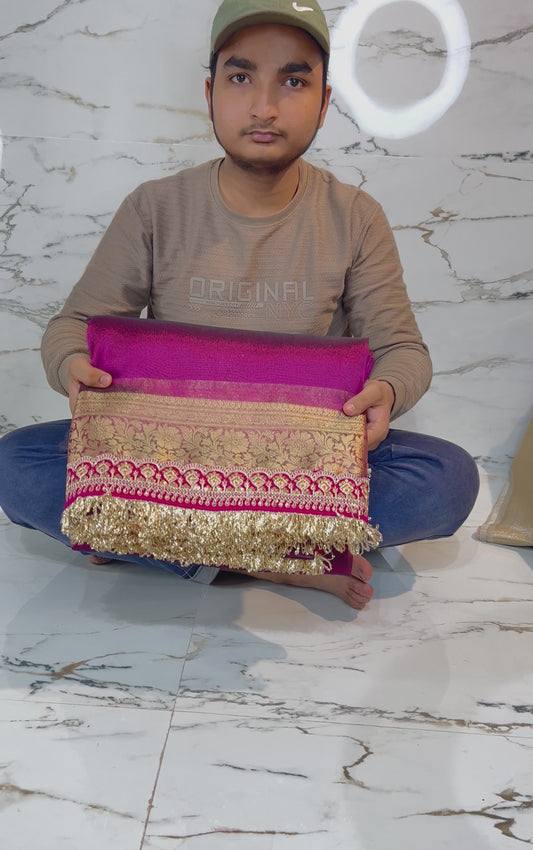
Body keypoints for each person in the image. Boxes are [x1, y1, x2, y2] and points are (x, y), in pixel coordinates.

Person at [0, 0, 479, 610]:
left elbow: (402, 349)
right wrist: (72, 362)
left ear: (325, 103)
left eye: (294, 81)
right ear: (210, 93)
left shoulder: (355, 217)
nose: (264, 107)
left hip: (299, 462)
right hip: (168, 453)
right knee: (15, 465)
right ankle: (286, 558)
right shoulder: (155, 207)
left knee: (449, 480)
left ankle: (158, 542)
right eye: (241, 76)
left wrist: (387, 388)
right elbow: (72, 325)